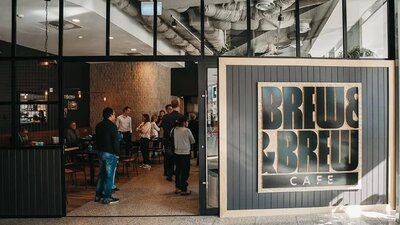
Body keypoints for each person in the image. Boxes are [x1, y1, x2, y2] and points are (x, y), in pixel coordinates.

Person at [95, 107, 120, 204]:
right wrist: (117, 154)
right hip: (110, 153)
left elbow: (97, 140)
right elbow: (115, 142)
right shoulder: (112, 126)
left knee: (101, 174)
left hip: (101, 152)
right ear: (110, 115)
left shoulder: (98, 125)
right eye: (114, 114)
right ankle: (107, 197)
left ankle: (98, 196)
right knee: (109, 176)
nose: (115, 116)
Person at [161, 99, 183, 181]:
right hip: (179, 140)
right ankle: (178, 173)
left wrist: (170, 136)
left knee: (168, 158)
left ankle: (169, 174)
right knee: (178, 158)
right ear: (178, 105)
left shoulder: (165, 117)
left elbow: (165, 129)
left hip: (168, 140)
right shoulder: (181, 116)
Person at [173, 116, 195, 195]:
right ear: (184, 122)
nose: (188, 123)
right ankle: (184, 188)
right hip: (185, 153)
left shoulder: (175, 129)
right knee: (185, 171)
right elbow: (192, 141)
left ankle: (177, 187)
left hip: (176, 152)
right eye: (187, 121)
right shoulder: (187, 130)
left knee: (178, 170)